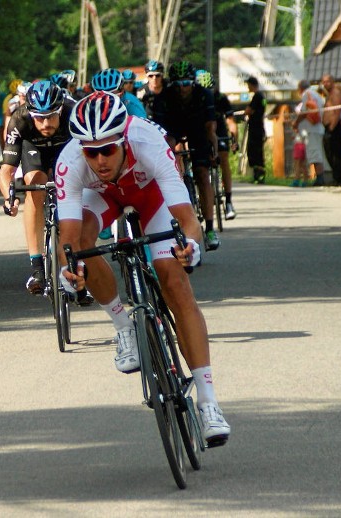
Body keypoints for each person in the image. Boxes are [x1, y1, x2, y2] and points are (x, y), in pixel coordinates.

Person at [56, 92, 230, 444]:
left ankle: (209, 402)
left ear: (123, 139)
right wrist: (69, 271)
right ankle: (124, 326)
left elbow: (186, 220)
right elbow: (69, 239)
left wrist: (191, 247)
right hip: (102, 197)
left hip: (150, 194)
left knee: (173, 280)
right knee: (84, 247)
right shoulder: (70, 162)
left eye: (108, 149)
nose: (100, 159)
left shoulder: (148, 142)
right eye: (92, 152)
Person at [0, 81, 80, 295]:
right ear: (31, 114)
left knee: (71, 185)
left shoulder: (74, 113)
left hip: (66, 147)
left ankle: (73, 267)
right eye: (39, 118)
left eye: (51, 116)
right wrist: (9, 197)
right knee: (35, 185)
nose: (45, 123)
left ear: (61, 110)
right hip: (33, 150)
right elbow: (6, 170)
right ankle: (37, 268)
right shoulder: (19, 119)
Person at [162, 60, 219, 251]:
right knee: (169, 146)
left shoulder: (204, 95)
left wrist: (214, 148)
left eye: (186, 83)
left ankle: (210, 228)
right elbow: (160, 130)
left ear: (193, 82)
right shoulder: (166, 96)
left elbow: (211, 126)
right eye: (178, 84)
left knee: (202, 174)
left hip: (199, 130)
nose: (183, 88)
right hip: (174, 128)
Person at [196, 69, 237, 220]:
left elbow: (231, 121)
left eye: (211, 90)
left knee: (224, 158)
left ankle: (228, 201)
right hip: (201, 130)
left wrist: (234, 138)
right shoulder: (194, 98)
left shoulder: (221, 98)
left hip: (219, 130)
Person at [292, 79, 325, 186]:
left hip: (312, 129)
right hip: (317, 128)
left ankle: (320, 178)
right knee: (315, 152)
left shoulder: (307, 94)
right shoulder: (316, 94)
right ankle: (319, 178)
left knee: (315, 153)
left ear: (300, 88)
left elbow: (304, 112)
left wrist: (296, 123)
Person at [321, 74, 341, 186]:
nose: (325, 84)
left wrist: (331, 127)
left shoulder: (335, 93)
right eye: (323, 82)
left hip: (333, 128)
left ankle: (338, 179)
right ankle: (336, 177)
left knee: (335, 154)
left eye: (327, 81)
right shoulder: (329, 94)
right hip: (328, 127)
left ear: (333, 81)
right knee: (329, 153)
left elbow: (337, 112)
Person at [244, 76, 267, 184]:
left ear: (252, 85)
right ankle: (258, 175)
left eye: (248, 84)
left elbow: (249, 110)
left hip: (255, 128)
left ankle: (259, 176)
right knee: (257, 152)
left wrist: (247, 112)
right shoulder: (262, 96)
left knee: (254, 152)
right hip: (259, 127)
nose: (247, 87)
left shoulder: (257, 96)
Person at [137, 60, 169, 129]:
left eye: (157, 75)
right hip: (150, 126)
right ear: (147, 76)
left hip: (169, 125)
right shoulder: (141, 92)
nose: (154, 78)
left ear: (162, 75)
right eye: (151, 76)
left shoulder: (170, 89)